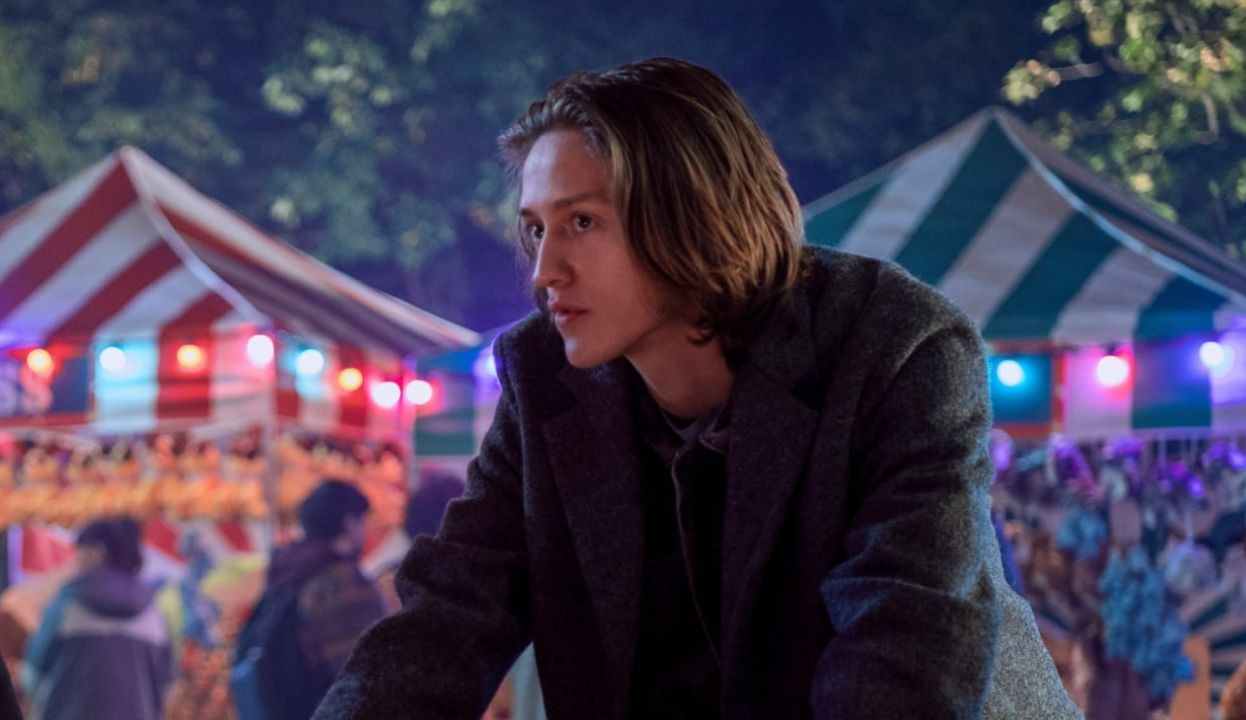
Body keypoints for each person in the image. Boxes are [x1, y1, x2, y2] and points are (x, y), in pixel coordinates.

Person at [315, 57, 1081, 719]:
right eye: (537, 229)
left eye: (581, 223)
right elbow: (448, 618)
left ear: (690, 213)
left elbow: (903, 652)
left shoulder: (895, 347)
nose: (545, 272)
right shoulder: (544, 376)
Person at [234, 480, 386, 720]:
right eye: (362, 521)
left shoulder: (288, 571)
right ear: (349, 522)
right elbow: (366, 671)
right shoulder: (343, 582)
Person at [21, 518, 171, 720]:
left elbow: (32, 675)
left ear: (97, 552)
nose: (76, 561)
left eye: (79, 551)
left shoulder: (67, 607)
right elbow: (165, 684)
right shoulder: (154, 613)